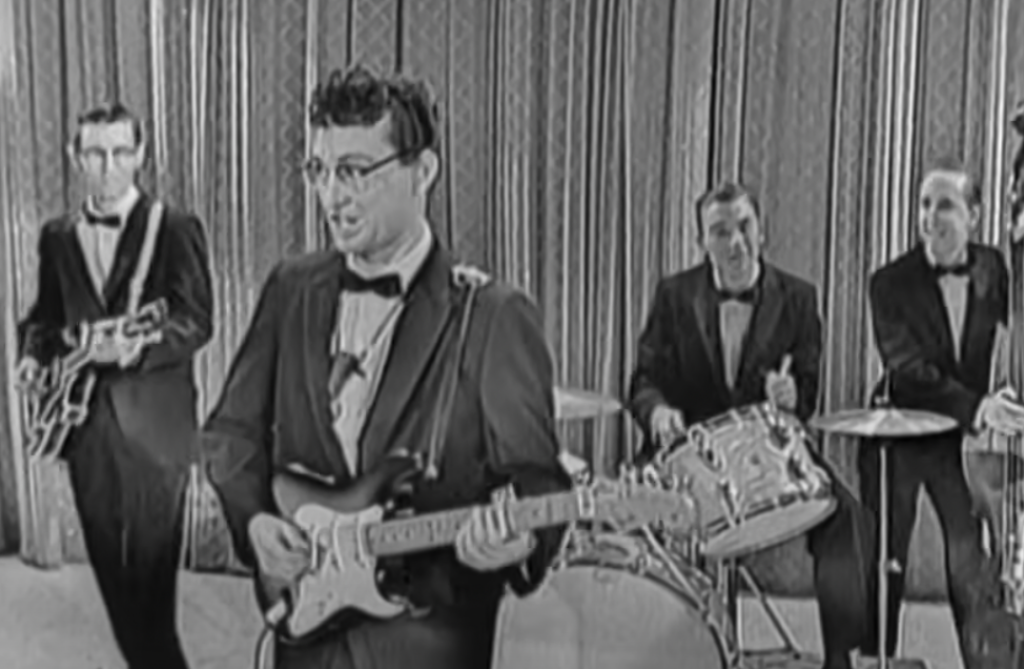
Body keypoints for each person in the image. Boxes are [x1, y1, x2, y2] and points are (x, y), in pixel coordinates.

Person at [202, 65, 570, 669]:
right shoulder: (290, 287)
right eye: (319, 170)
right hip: (305, 631)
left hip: (426, 646)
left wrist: (513, 541)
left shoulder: (493, 316)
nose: (331, 195)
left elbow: (539, 481)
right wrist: (256, 524)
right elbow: (230, 433)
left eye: (354, 171)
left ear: (423, 171)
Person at [627, 181, 874, 669]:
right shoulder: (674, 295)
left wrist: (792, 398)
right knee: (628, 517)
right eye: (720, 231)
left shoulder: (800, 298)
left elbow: (807, 390)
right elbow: (642, 381)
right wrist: (657, 412)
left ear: (762, 231)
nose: (735, 241)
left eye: (744, 226)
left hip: (767, 449)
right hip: (689, 449)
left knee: (849, 521)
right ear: (702, 241)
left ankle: (842, 657)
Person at [16, 103, 214, 669]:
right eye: (96, 154)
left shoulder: (174, 228)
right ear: (76, 158)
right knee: (115, 585)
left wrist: (137, 347)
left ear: (141, 156)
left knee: (151, 596)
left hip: (157, 432)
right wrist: (34, 358)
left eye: (122, 152)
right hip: (85, 433)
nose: (109, 166)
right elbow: (44, 319)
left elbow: (196, 320)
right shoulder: (57, 237)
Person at [863, 160, 1024, 668]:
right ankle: (878, 659)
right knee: (887, 564)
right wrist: (982, 407)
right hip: (899, 434)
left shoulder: (993, 267)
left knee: (970, 566)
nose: (931, 216)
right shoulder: (887, 282)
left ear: (974, 215)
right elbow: (909, 369)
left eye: (946, 205)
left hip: (962, 446)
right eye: (925, 204)